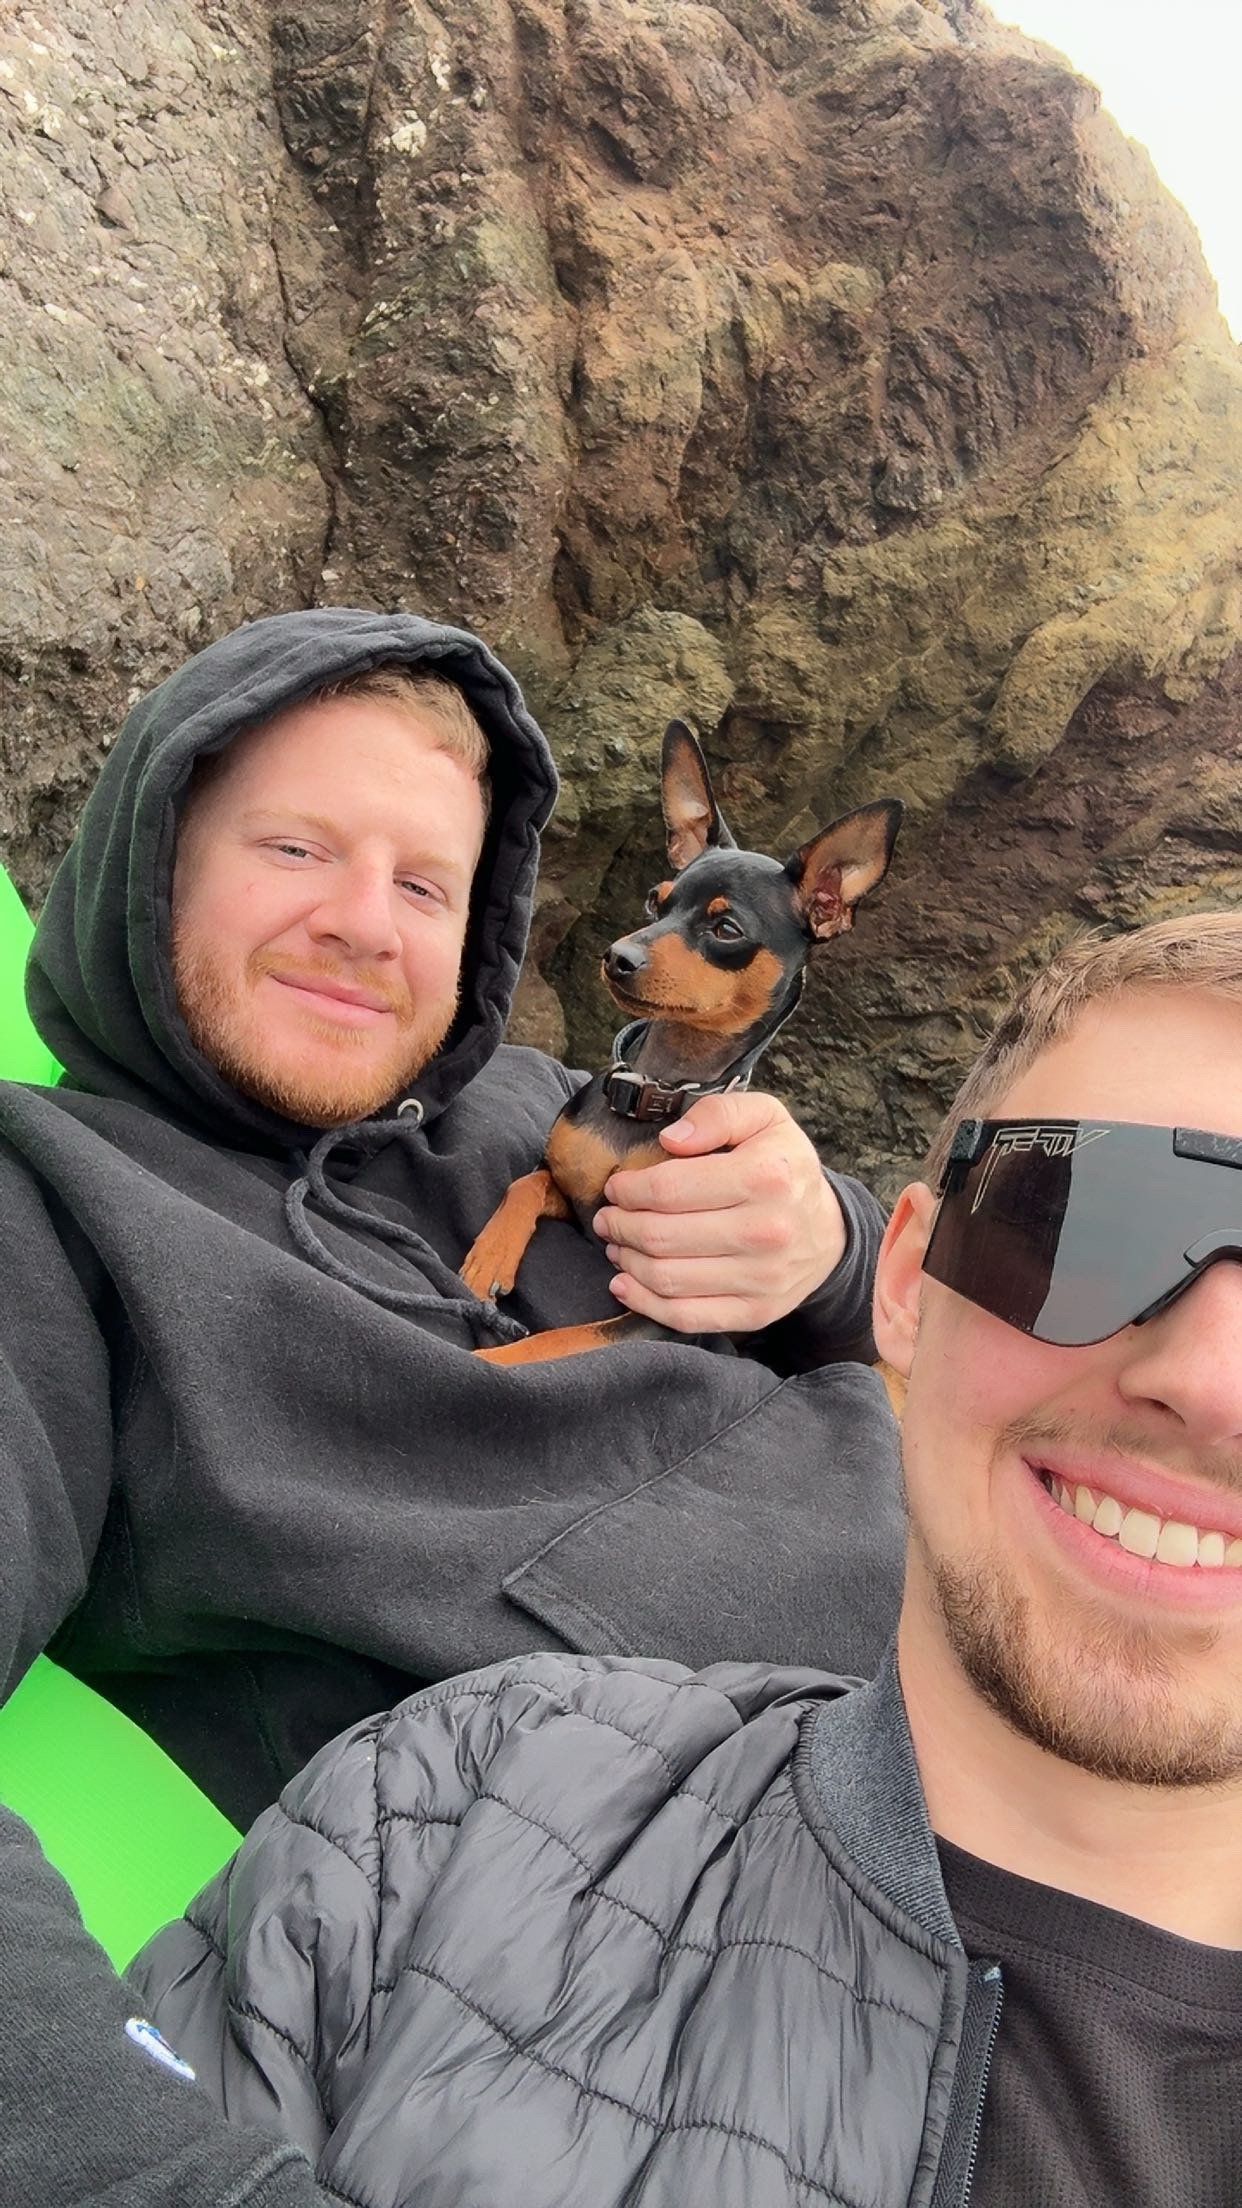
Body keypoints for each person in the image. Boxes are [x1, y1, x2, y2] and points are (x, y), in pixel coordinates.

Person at [98, 911, 1242, 2208]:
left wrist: (818, 1251)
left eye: (428, 884)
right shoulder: (446, 1807)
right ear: (916, 1286)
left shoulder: (585, 1117)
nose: (1210, 1382)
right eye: (1093, 1221)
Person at [0, 609, 903, 1842]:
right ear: (152, 853)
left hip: (998, 1632)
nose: (367, 923)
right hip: (722, 1856)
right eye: (296, 848)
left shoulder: (541, 1097)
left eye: (425, 883)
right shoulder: (49, 1208)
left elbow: (920, 1327)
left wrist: (830, 1250)